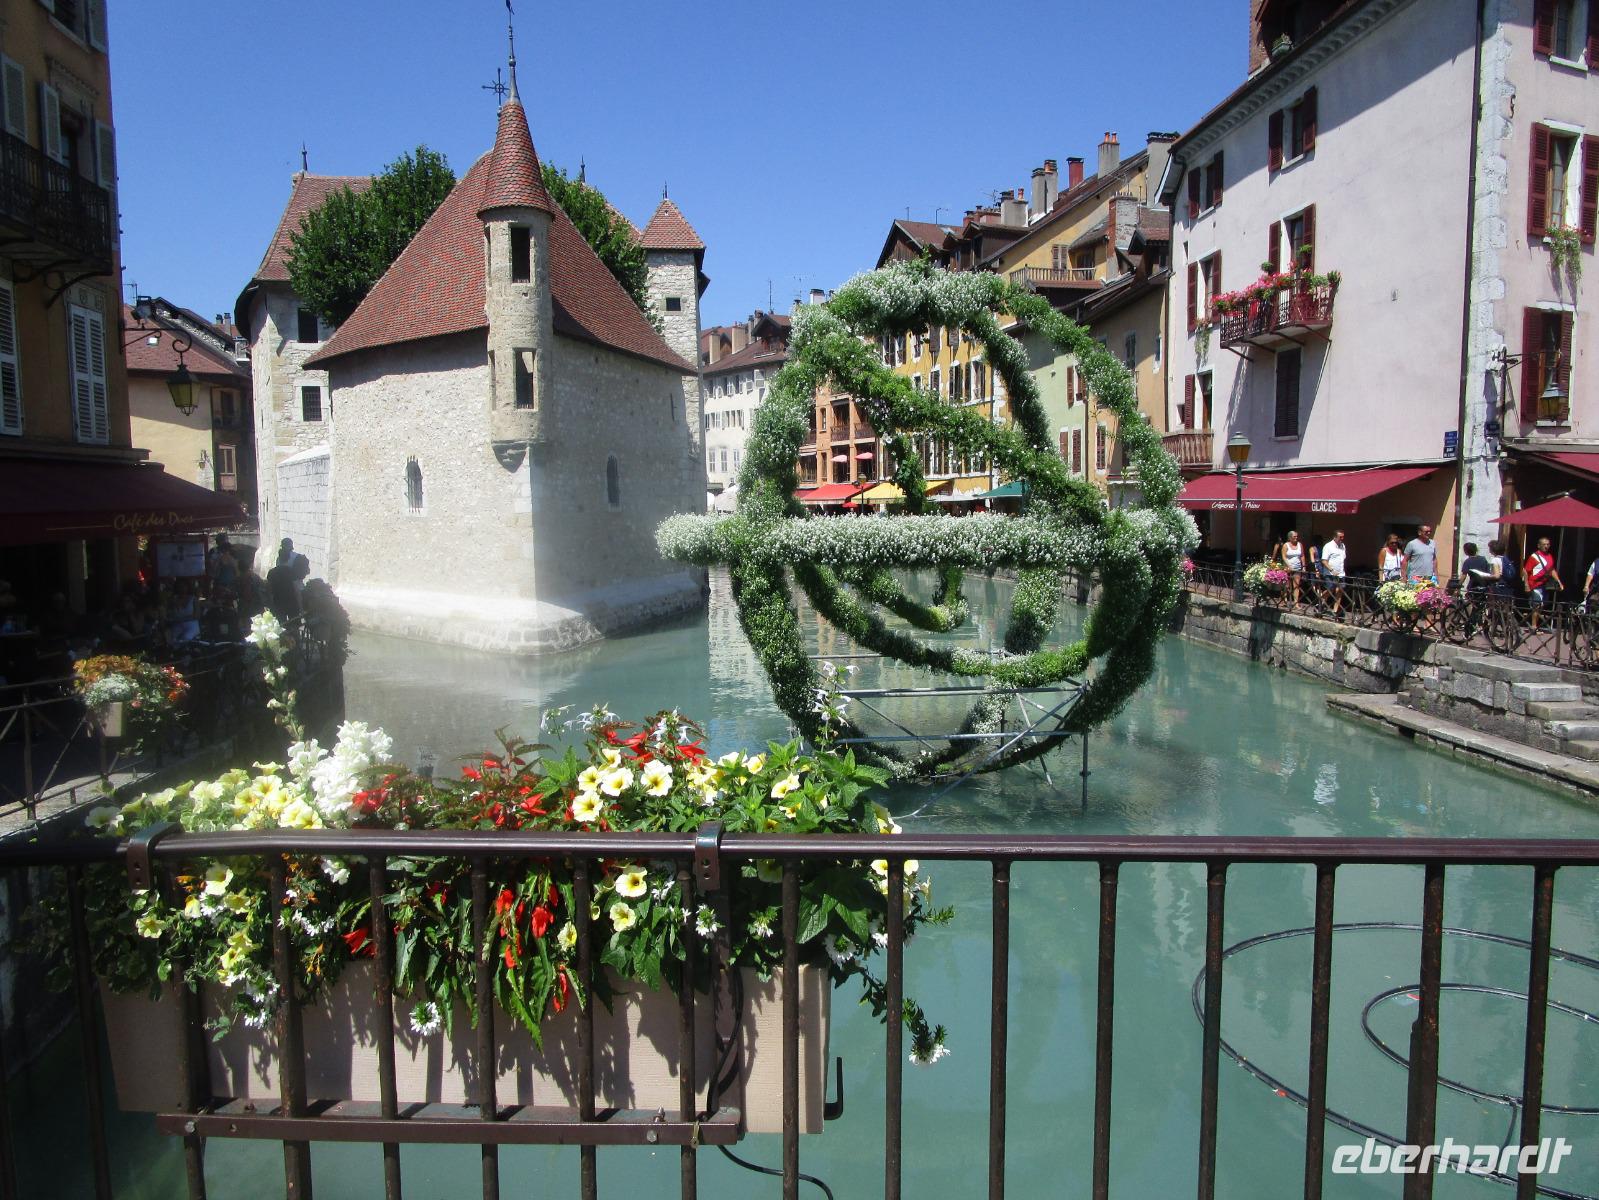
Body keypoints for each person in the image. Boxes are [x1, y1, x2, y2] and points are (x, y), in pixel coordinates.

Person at [1524, 536, 1563, 628]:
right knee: (1536, 605)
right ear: (1539, 545)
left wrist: (1559, 582)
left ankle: (1535, 624)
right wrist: (1526, 584)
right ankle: (1533, 626)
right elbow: (1525, 570)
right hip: (1534, 584)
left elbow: (1552, 570)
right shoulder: (1534, 557)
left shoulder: (1549, 556)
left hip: (1544, 585)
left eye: (1548, 544)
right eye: (1544, 544)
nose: (1546, 546)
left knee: (1541, 605)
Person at [1273, 530, 1307, 606]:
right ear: (1290, 537)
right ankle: (1283, 601)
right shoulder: (1286, 545)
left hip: (1297, 568)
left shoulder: (1300, 545)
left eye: (1297, 536)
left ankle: (1296, 603)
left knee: (1296, 586)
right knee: (1286, 586)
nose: (1296, 538)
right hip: (1287, 568)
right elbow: (1284, 556)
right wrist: (1288, 565)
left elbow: (1302, 555)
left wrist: (1304, 566)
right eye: (1294, 536)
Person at [1319, 530, 1348, 616]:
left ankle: (1335, 610)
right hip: (1330, 573)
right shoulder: (1328, 546)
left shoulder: (1343, 546)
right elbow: (1324, 560)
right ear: (1335, 537)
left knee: (1340, 591)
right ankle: (1320, 601)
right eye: (1340, 537)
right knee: (1330, 589)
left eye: (1343, 537)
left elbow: (1343, 558)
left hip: (1341, 573)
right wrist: (1331, 570)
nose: (1342, 539)